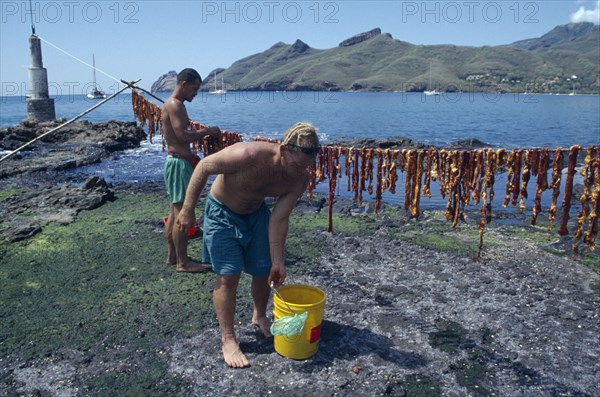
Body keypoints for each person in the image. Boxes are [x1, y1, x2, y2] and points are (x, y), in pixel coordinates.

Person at [177, 122, 320, 368]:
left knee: (265, 270)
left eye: (306, 166)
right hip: (223, 212)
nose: (300, 171)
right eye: (297, 164)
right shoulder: (248, 155)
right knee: (229, 275)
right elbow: (203, 167)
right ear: (284, 150)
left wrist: (278, 261)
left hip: (256, 215)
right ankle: (228, 339)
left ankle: (259, 315)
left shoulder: (300, 177)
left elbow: (279, 218)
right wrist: (188, 210)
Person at [162, 68, 221, 273]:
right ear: (184, 84)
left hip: (176, 162)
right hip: (179, 165)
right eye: (194, 89)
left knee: (174, 210)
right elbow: (182, 136)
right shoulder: (175, 105)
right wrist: (207, 132)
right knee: (182, 214)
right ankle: (182, 263)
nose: (195, 93)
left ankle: (173, 256)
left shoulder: (172, 105)